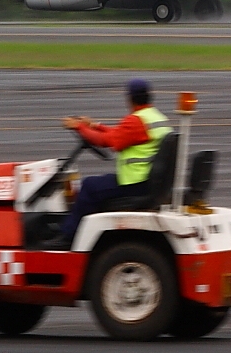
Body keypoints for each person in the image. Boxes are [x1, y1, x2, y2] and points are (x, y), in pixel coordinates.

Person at [44, 79, 172, 249]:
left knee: (89, 186)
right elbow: (120, 134)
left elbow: (108, 141)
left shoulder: (136, 121)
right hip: (148, 182)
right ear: (150, 97)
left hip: (135, 183)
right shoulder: (155, 117)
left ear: (129, 98)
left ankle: (68, 236)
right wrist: (94, 126)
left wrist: (79, 127)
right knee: (97, 184)